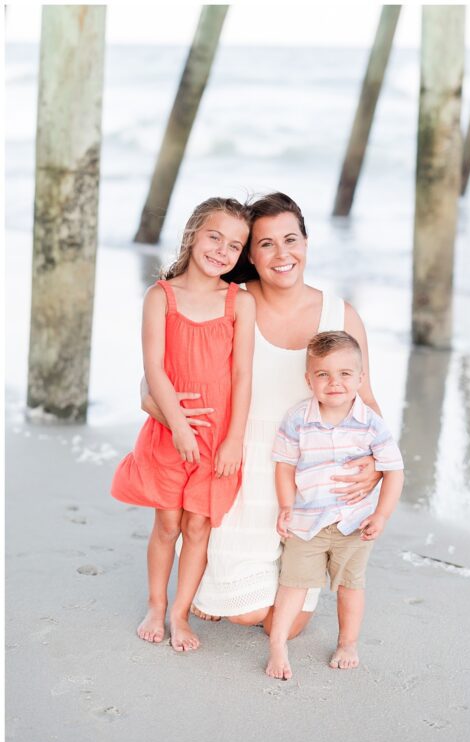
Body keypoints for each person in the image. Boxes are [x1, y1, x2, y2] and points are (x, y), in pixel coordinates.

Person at [141, 192, 383, 641]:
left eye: (291, 239)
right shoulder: (232, 299)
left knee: (287, 627)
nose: (281, 253)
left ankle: (233, 583)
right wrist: (157, 405)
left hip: (308, 487)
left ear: (307, 243)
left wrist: (376, 463)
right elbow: (168, 365)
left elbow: (366, 400)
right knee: (248, 616)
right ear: (250, 255)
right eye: (266, 244)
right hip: (240, 476)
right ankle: (211, 580)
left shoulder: (340, 314)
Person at [112, 197, 255, 652]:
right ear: (194, 232)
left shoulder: (239, 302)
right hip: (171, 433)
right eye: (215, 237)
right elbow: (153, 366)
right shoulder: (162, 296)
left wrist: (234, 440)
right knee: (168, 524)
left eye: (235, 246)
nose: (222, 251)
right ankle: (157, 604)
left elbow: (242, 374)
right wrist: (177, 424)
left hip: (218, 438)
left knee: (198, 526)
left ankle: (180, 612)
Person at [265, 331, 404, 679]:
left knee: (350, 586)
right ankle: (278, 644)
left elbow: (394, 471)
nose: (334, 383)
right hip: (307, 523)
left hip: (353, 524)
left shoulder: (371, 425)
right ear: (309, 379)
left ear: (360, 378)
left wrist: (382, 514)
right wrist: (286, 506)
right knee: (293, 584)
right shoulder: (298, 419)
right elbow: (284, 464)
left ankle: (348, 642)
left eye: (344, 374)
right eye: (323, 374)